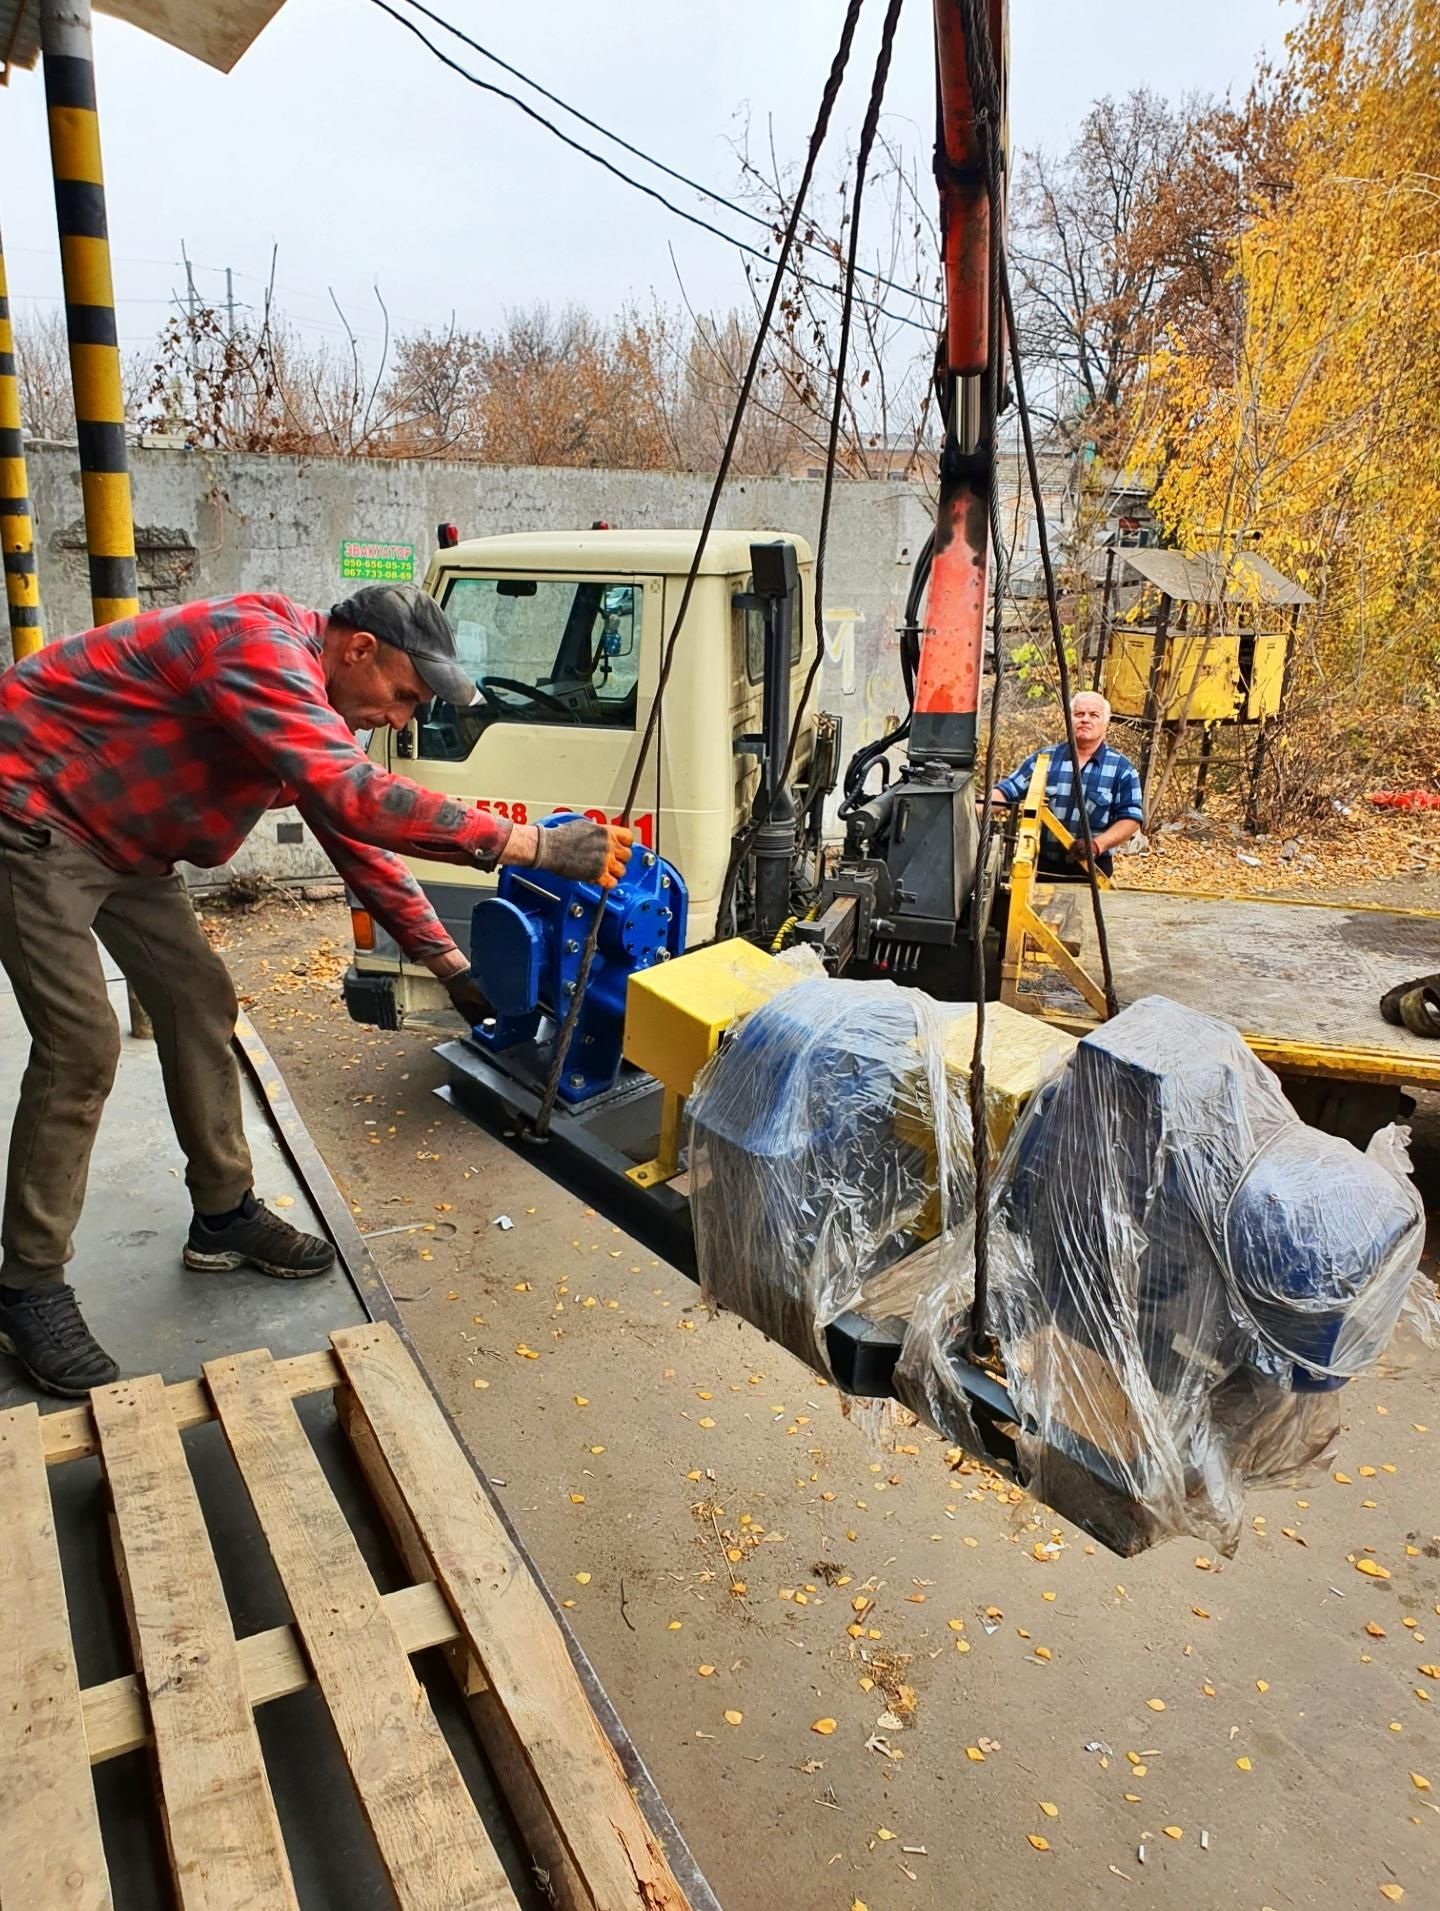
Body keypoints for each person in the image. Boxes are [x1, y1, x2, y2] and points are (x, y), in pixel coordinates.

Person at [0, 584, 633, 1397]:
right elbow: (356, 795)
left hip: (128, 843)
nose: (403, 719)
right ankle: (27, 1285)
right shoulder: (255, 648)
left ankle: (222, 1214)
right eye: (405, 696)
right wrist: (533, 844)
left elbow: (357, 837)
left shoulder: (313, 713)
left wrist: (452, 969)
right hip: (32, 814)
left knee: (199, 1004)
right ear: (359, 649)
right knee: (81, 1044)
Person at [990, 691, 1144, 877]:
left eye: (1093, 715)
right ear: (1069, 719)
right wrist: (970, 810)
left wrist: (1096, 845)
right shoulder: (1044, 760)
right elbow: (1007, 792)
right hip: (1044, 871)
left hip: (1093, 872)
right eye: (1079, 714)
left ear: (1106, 723)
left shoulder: (1123, 769)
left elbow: (1131, 819)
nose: (1085, 719)